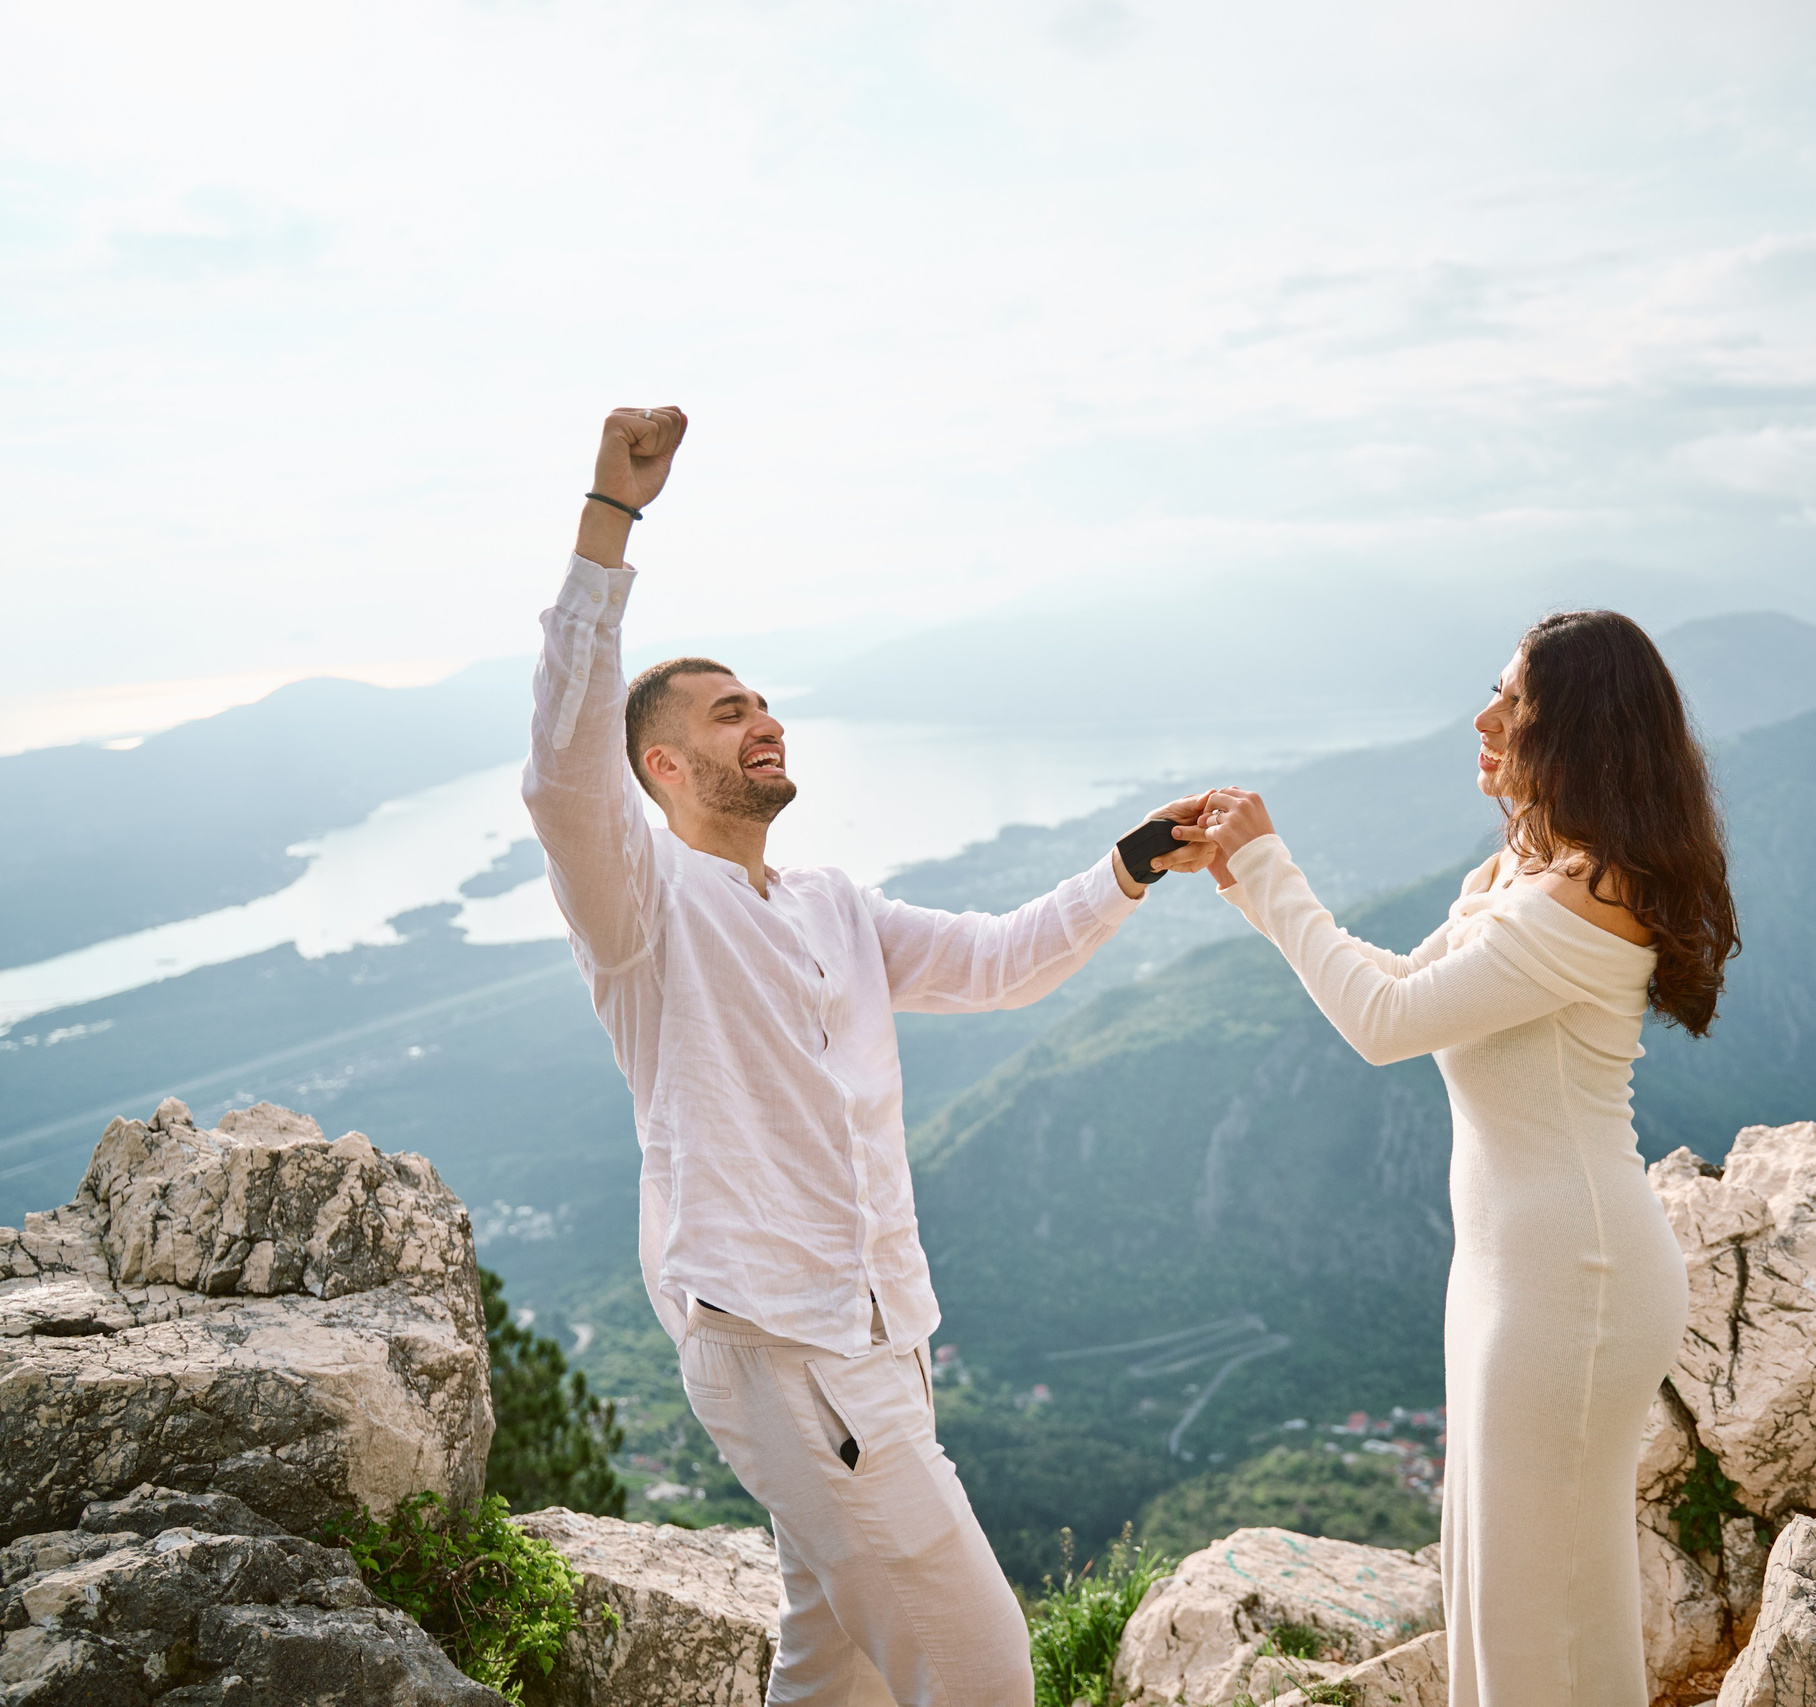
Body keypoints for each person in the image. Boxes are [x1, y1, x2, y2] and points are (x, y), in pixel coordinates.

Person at [523, 405, 1211, 1707]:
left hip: (885, 1332)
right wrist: (610, 519)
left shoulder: (830, 901)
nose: (765, 718)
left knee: (833, 1665)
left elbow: (998, 961)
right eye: (729, 711)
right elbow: (563, 781)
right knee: (985, 1667)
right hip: (788, 1348)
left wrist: (1127, 867)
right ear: (662, 763)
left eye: (767, 702)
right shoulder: (641, 908)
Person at [1183, 611, 1739, 1707]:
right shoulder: (1530, 871)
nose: (1483, 719)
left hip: (1573, 1283)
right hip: (1513, 1277)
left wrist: (1270, 865)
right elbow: (1405, 985)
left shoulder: (1589, 897)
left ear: (1577, 731)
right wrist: (1249, 886)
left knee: (1537, 1609)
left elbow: (1383, 1022)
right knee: (1516, 1594)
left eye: (1514, 703)